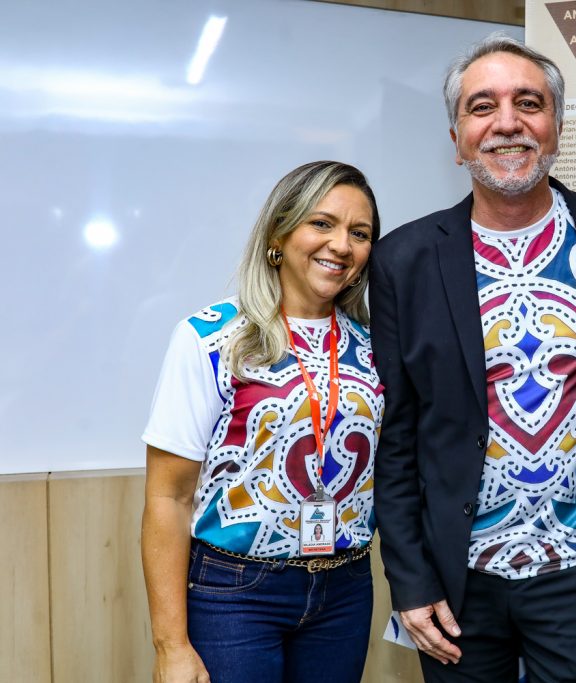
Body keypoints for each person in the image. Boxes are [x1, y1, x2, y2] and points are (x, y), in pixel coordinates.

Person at [368, 35, 576, 683]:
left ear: (555, 125)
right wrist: (410, 581)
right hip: (457, 585)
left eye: (529, 102)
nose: (507, 122)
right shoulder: (404, 262)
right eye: (482, 106)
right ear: (457, 137)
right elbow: (396, 438)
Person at [141, 161, 383, 683]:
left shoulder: (378, 346)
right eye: (322, 223)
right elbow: (168, 498)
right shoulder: (211, 339)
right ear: (279, 234)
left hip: (345, 590)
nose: (341, 245)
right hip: (235, 592)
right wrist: (171, 647)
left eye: (359, 233)